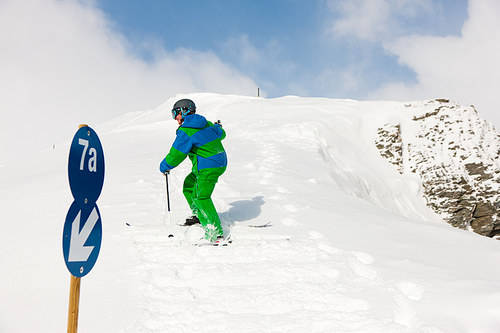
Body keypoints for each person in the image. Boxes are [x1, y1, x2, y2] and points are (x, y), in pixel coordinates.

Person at [159, 99, 227, 244]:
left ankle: (215, 233)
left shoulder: (186, 130)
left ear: (184, 111)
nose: (174, 118)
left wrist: (165, 166)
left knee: (202, 196)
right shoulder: (206, 123)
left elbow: (177, 154)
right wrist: (218, 127)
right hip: (218, 162)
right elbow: (220, 134)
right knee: (189, 185)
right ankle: (199, 215)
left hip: (209, 166)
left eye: (175, 113)